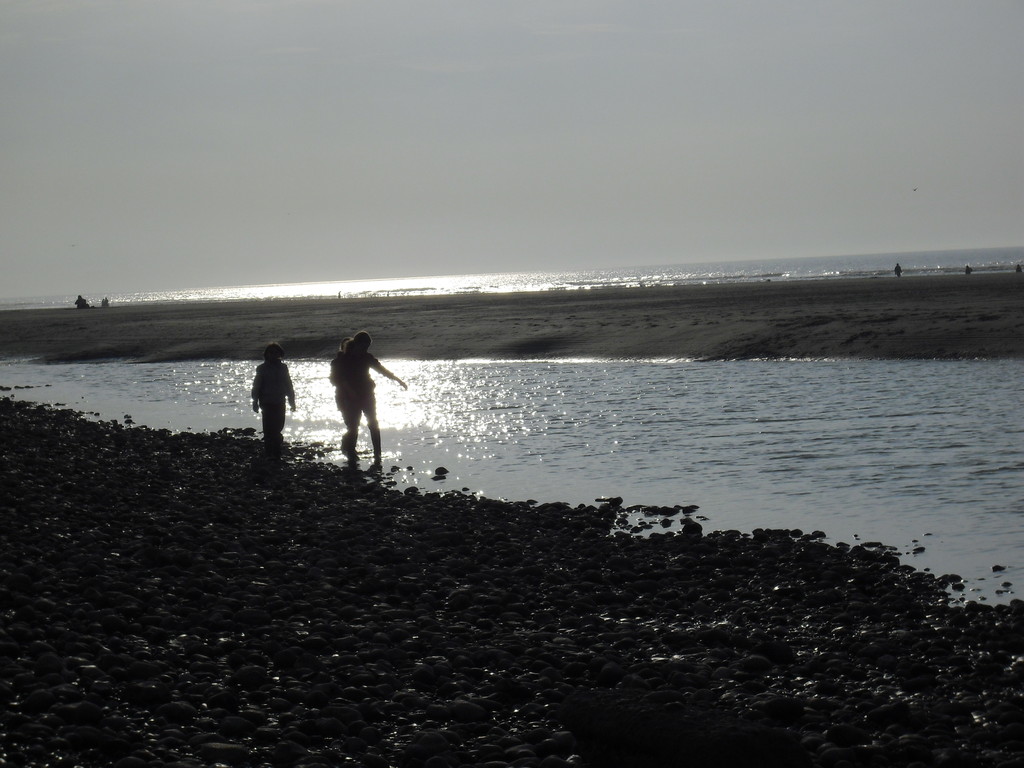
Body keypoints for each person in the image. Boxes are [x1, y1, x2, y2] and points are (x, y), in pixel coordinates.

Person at [330, 331, 407, 465]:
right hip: (346, 397)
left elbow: (380, 369)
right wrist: (350, 392)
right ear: (357, 344)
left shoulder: (366, 357)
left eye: (367, 347)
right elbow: (338, 380)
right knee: (353, 426)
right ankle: (350, 451)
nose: (365, 350)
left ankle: (377, 454)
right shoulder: (341, 360)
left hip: (366, 394)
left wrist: (397, 380)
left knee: (373, 424)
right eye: (364, 346)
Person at [251, 342, 296, 459]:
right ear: (267, 354)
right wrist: (255, 401)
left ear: (280, 354)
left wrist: (292, 401)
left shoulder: (283, 367)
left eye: (276, 352)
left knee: (279, 426)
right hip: (266, 401)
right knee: (268, 428)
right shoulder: (261, 368)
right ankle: (271, 452)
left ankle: (275, 449)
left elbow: (288, 384)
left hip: (280, 400)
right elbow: (257, 386)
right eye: (271, 352)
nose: (274, 355)